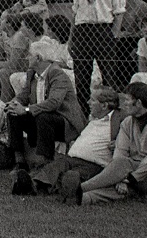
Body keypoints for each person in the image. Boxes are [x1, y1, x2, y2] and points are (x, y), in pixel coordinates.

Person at [58, 82, 147, 205]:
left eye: (127, 100)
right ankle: (82, 198)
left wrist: (130, 178)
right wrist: (122, 178)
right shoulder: (127, 122)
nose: (123, 104)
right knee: (125, 185)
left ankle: (80, 188)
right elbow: (120, 153)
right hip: (133, 171)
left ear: (139, 103)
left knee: (127, 174)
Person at [7, 39, 87, 189]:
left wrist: (25, 110)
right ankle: (20, 161)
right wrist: (15, 103)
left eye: (30, 55)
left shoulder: (58, 75)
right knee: (13, 114)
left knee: (44, 117)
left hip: (63, 121)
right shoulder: (32, 73)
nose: (27, 58)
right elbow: (25, 94)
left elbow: (54, 103)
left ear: (38, 58)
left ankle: (44, 162)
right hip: (41, 118)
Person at [69, 0, 131, 110]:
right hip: (82, 30)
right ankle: (83, 113)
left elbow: (119, 10)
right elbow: (76, 11)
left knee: (108, 74)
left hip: (103, 29)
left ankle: (110, 112)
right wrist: (71, 37)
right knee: (81, 76)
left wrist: (114, 35)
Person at [29, 87, 121, 197]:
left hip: (93, 165)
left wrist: (117, 143)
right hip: (71, 159)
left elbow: (126, 139)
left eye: (92, 100)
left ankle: (59, 186)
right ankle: (33, 184)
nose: (88, 102)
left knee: (73, 175)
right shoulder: (93, 119)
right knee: (56, 166)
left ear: (104, 105)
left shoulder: (117, 119)